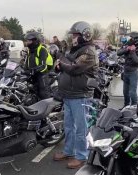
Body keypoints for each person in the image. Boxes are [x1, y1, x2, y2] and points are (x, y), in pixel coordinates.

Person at [53, 21, 99, 169]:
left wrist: (62, 64)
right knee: (68, 127)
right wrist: (59, 66)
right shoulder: (74, 50)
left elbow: (74, 69)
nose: (73, 38)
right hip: (69, 94)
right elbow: (66, 64)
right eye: (72, 35)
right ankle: (69, 151)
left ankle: (81, 155)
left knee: (81, 128)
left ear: (85, 35)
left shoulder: (89, 52)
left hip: (81, 95)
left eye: (75, 35)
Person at [117, 31, 138, 108]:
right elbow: (118, 53)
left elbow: (137, 61)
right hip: (126, 71)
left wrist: (133, 51)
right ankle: (126, 107)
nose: (130, 39)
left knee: (132, 92)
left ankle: (134, 107)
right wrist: (127, 49)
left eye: (132, 38)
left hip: (133, 72)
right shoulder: (128, 44)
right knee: (125, 92)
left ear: (137, 39)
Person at [23, 31, 53, 99]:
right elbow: (27, 63)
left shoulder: (42, 50)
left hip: (42, 73)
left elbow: (43, 65)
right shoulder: (30, 50)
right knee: (28, 89)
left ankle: (47, 106)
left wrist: (33, 70)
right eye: (27, 41)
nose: (27, 42)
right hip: (33, 73)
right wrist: (23, 69)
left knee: (43, 92)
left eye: (29, 41)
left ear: (35, 41)